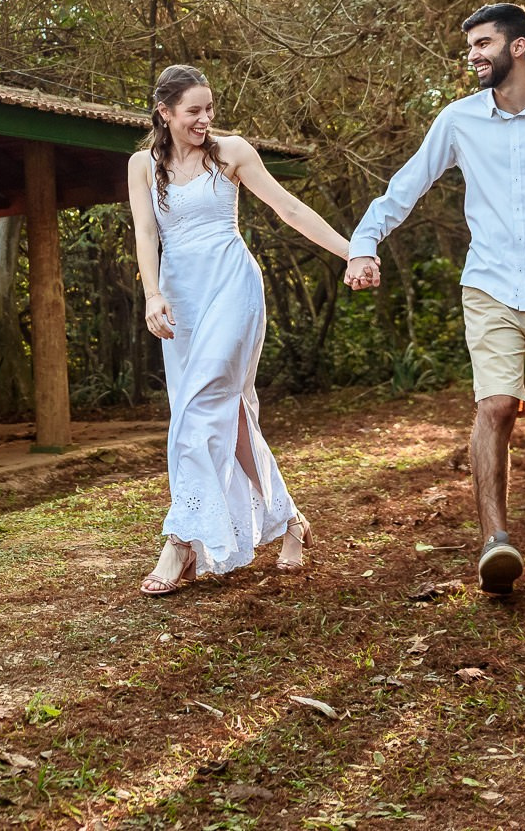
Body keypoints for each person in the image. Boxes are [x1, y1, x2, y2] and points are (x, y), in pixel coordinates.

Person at [344, 4, 525, 594]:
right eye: (470, 44)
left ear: (518, 47)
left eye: (483, 43)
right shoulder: (459, 120)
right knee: (497, 405)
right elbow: (407, 185)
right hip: (492, 285)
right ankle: (496, 541)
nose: (472, 54)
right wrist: (363, 243)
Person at [127, 64, 356, 595]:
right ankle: (290, 522)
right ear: (165, 112)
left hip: (232, 287)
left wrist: (351, 251)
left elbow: (288, 207)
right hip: (180, 299)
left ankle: (181, 539)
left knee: (202, 405)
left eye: (209, 108)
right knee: (222, 416)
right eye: (193, 111)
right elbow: (144, 232)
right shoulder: (142, 164)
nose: (205, 119)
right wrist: (153, 294)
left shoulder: (232, 153)